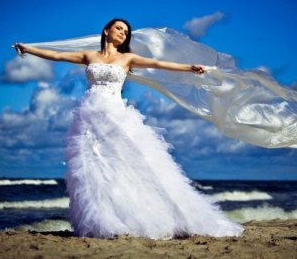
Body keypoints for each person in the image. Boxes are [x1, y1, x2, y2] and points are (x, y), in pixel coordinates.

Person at [13, 18, 244, 239]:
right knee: (94, 168)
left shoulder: (127, 58)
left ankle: (148, 216)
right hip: (89, 116)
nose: (123, 33)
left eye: (125, 31)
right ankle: (104, 221)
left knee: (129, 162)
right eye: (119, 28)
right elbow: (57, 55)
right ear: (107, 31)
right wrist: (29, 48)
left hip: (116, 115)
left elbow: (158, 64)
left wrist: (189, 67)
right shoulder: (89, 55)